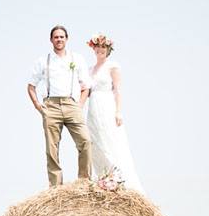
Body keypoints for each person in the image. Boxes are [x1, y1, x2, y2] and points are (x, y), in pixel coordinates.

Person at [28, 25, 92, 187]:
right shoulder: (43, 61)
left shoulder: (77, 58)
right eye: (56, 37)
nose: (59, 40)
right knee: (52, 148)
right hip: (51, 105)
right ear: (51, 40)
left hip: (72, 104)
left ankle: (84, 181)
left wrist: (79, 105)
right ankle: (56, 186)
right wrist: (38, 106)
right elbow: (31, 86)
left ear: (67, 39)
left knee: (85, 141)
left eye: (62, 37)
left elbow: (86, 85)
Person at [86, 33, 144, 193]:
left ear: (108, 49)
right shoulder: (90, 69)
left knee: (110, 139)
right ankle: (105, 177)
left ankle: (119, 178)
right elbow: (86, 91)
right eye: (97, 46)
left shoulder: (113, 66)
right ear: (93, 48)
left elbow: (118, 90)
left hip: (106, 105)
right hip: (93, 108)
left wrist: (118, 112)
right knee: (95, 141)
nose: (100, 49)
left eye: (103, 47)